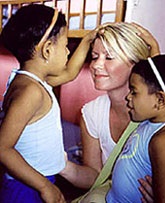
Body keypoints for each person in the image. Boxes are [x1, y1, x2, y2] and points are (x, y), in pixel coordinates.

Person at [0, 4, 97, 203]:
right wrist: (44, 187)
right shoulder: (30, 92)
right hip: (25, 186)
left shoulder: (32, 81)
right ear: (47, 50)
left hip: (35, 179)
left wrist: (87, 40)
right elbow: (3, 148)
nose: (68, 52)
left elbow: (70, 73)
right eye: (65, 45)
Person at [60, 22, 160, 201]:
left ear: (136, 63)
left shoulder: (155, 111)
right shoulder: (92, 113)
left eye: (109, 57)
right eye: (94, 56)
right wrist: (61, 165)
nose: (96, 65)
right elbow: (95, 176)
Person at [106, 54, 165, 203]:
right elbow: (160, 76)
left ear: (160, 100)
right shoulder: (150, 121)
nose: (128, 97)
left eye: (134, 91)